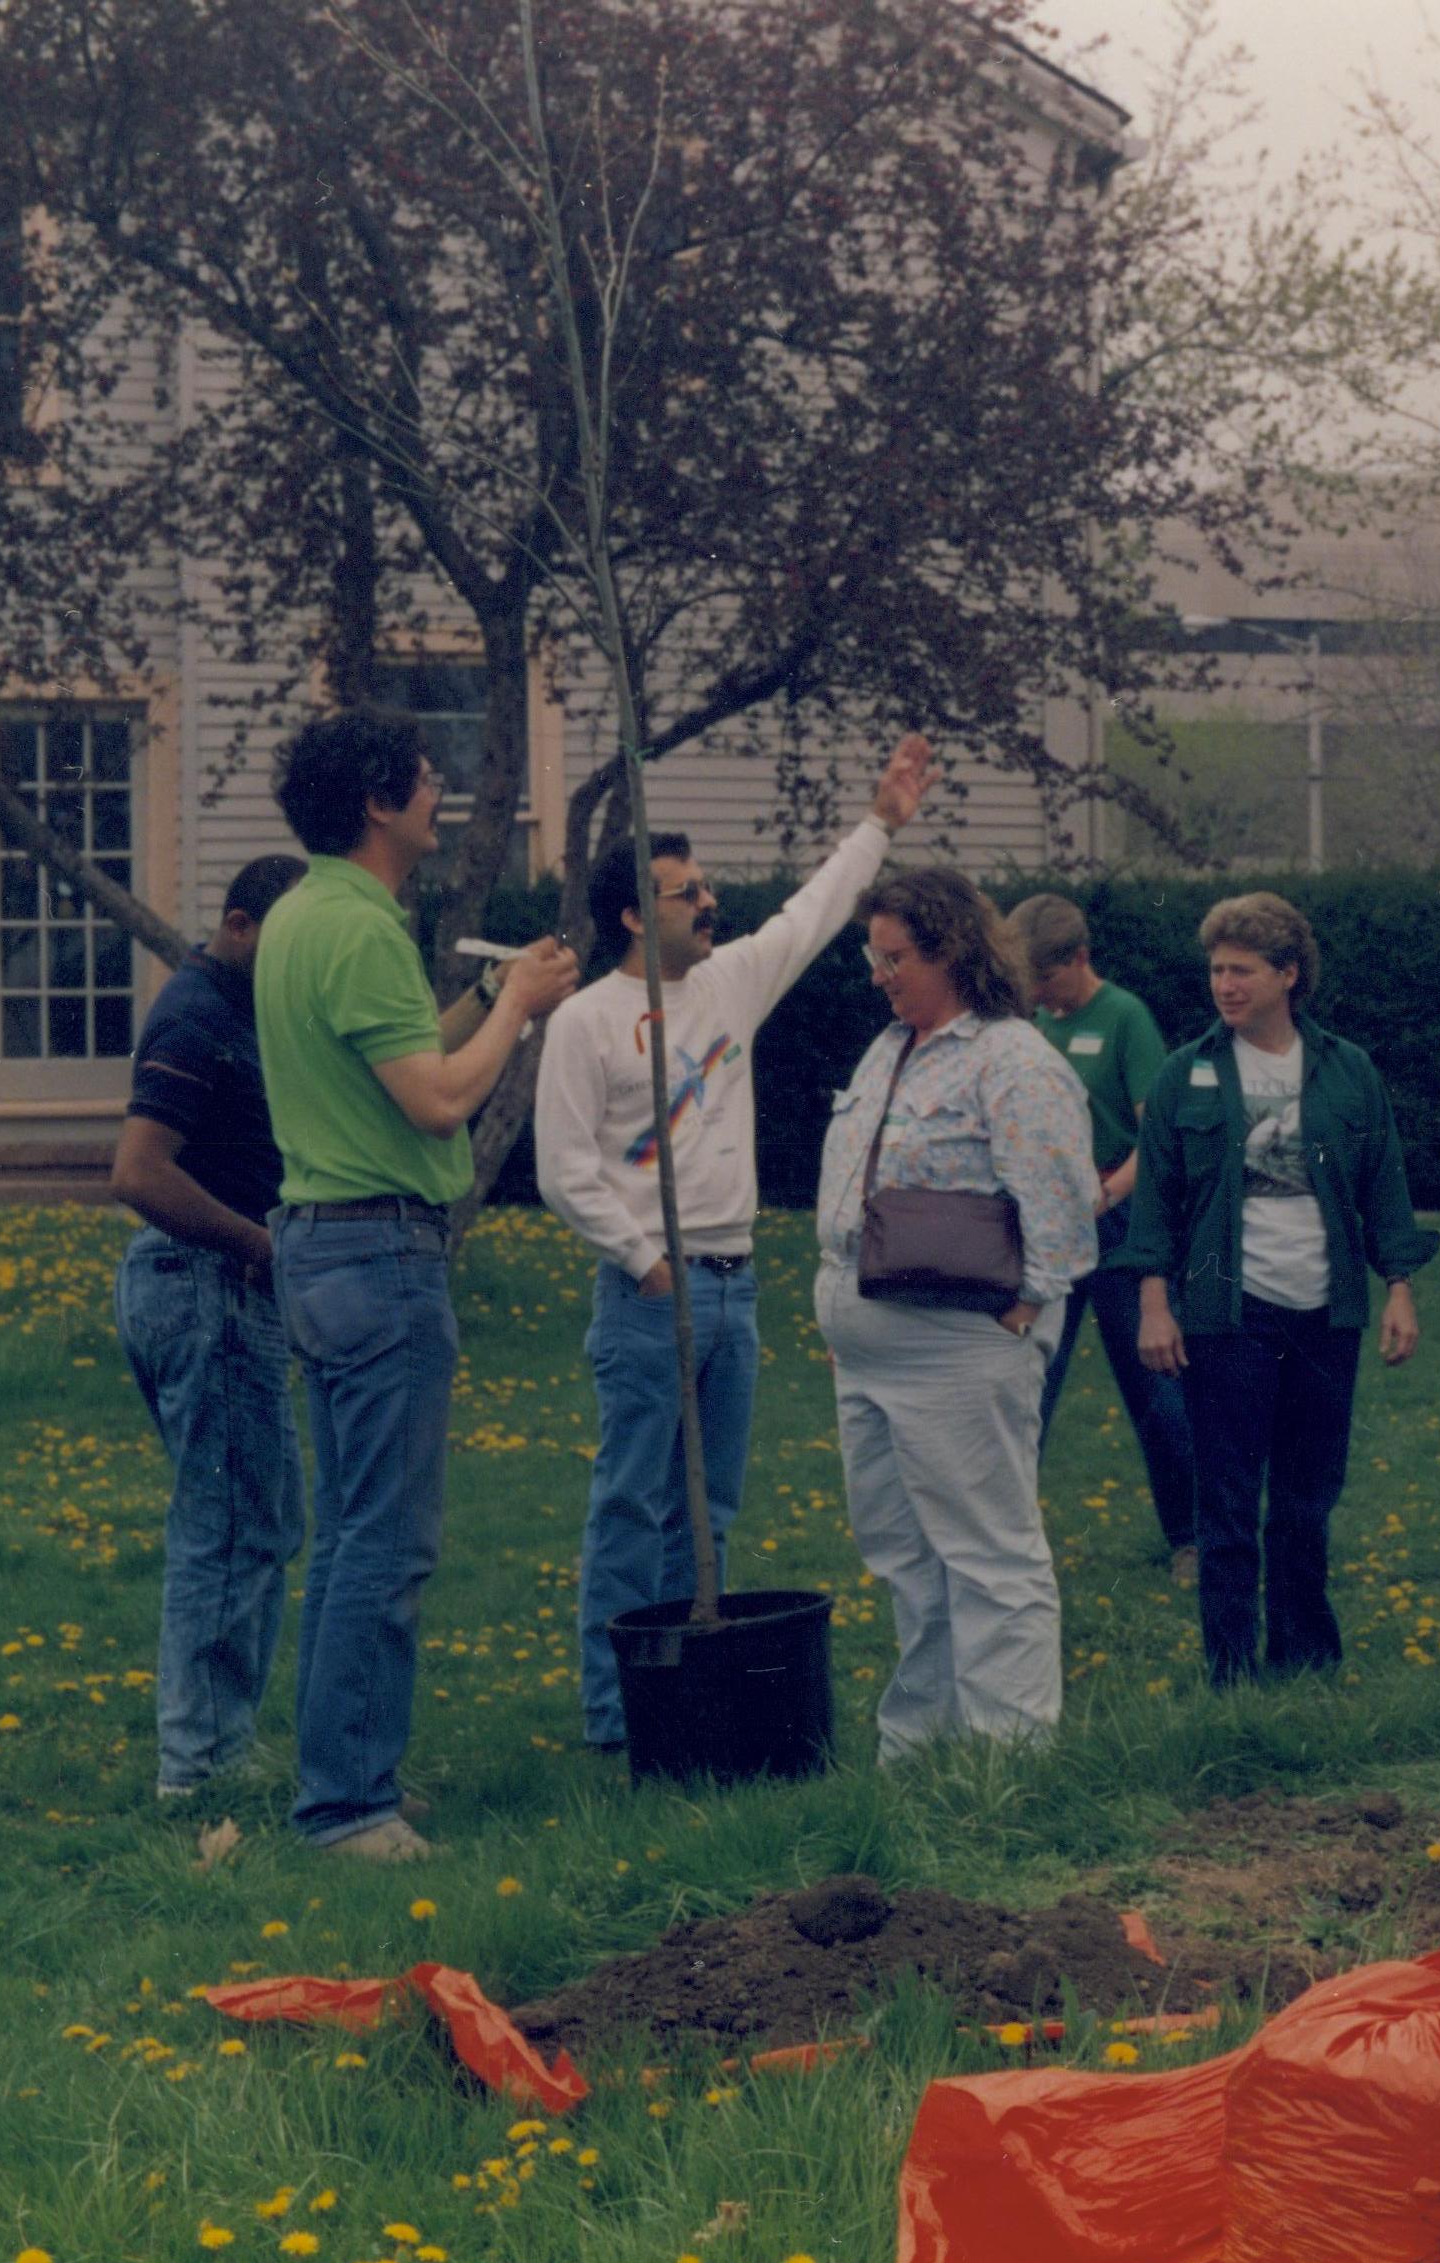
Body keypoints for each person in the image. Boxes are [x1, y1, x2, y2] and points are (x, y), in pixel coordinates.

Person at [535, 737, 930, 1753]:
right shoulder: (586, 1021)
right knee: (632, 1498)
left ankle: (689, 1693)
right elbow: (563, 1168)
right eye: (686, 893)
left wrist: (881, 819)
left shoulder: (731, 984)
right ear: (633, 912)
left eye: (706, 888)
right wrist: (642, 1259)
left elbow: (814, 909)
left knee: (708, 1513)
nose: (709, 904)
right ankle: (613, 1716)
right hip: (648, 1295)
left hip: (736, 1287)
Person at [255, 709, 579, 1858]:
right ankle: (348, 1807)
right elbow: (442, 1102)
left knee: (350, 1536)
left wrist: (493, 1002)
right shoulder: (363, 931)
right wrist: (523, 1009)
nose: (442, 789)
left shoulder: (305, 915)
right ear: (380, 804)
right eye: (427, 778)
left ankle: (350, 1775)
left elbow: (408, 1061)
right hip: (379, 1255)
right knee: (387, 1543)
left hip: (317, 1247)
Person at [812, 868, 1099, 1757]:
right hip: (871, 1351)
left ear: (952, 951)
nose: (879, 973)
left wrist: (1024, 1311)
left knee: (987, 1554)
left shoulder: (1011, 1059)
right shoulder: (889, 1047)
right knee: (907, 1558)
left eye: (894, 956)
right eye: (874, 955)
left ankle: (1011, 1758)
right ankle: (924, 1750)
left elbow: (1060, 1204)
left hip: (958, 1346)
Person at [1122, 894, 1437, 1683]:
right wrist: (1155, 1303)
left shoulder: (1347, 1070)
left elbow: (1385, 1185)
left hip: (1325, 1311)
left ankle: (1305, 1665)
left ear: (1288, 974)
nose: (1224, 984)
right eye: (1216, 969)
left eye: (1242, 969)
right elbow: (1155, 1198)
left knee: (1306, 1499)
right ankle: (1230, 1674)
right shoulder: (1182, 1074)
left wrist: (1399, 1285)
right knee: (1227, 1503)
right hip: (1226, 1313)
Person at [112, 851, 313, 1804]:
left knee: (264, 1520)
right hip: (204, 1285)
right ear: (237, 925)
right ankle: (198, 1775)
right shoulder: (195, 1014)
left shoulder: (247, 1010)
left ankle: (221, 1752)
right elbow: (139, 1173)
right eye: (280, 943)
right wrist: (256, 1246)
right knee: (228, 1529)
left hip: (219, 1289)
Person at [1011, 893, 1200, 1580]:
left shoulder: (1124, 1017)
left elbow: (1159, 1136)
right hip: (1047, 1222)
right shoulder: (1030, 1023)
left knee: (1155, 1382)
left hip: (1119, 1217)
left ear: (1081, 958)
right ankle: (1007, 1542)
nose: (1038, 994)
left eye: (1048, 979)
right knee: (1028, 1380)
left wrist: (1106, 1193)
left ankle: (1193, 1537)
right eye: (1028, 983)